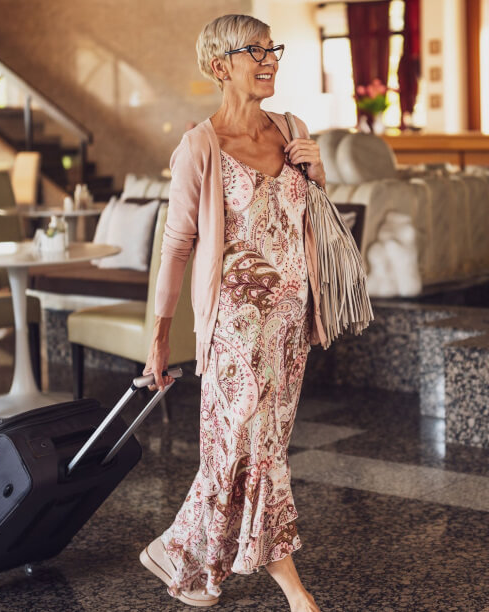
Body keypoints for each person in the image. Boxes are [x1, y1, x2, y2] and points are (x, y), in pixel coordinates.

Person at [139, 13, 326, 612]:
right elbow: (176, 247)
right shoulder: (199, 147)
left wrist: (317, 171)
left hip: (288, 327)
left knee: (243, 451)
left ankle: (179, 551)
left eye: (274, 49)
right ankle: (295, 592)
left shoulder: (293, 129)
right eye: (256, 51)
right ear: (220, 67)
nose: (270, 59)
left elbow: (313, 219)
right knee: (255, 450)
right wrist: (160, 336)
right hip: (236, 331)